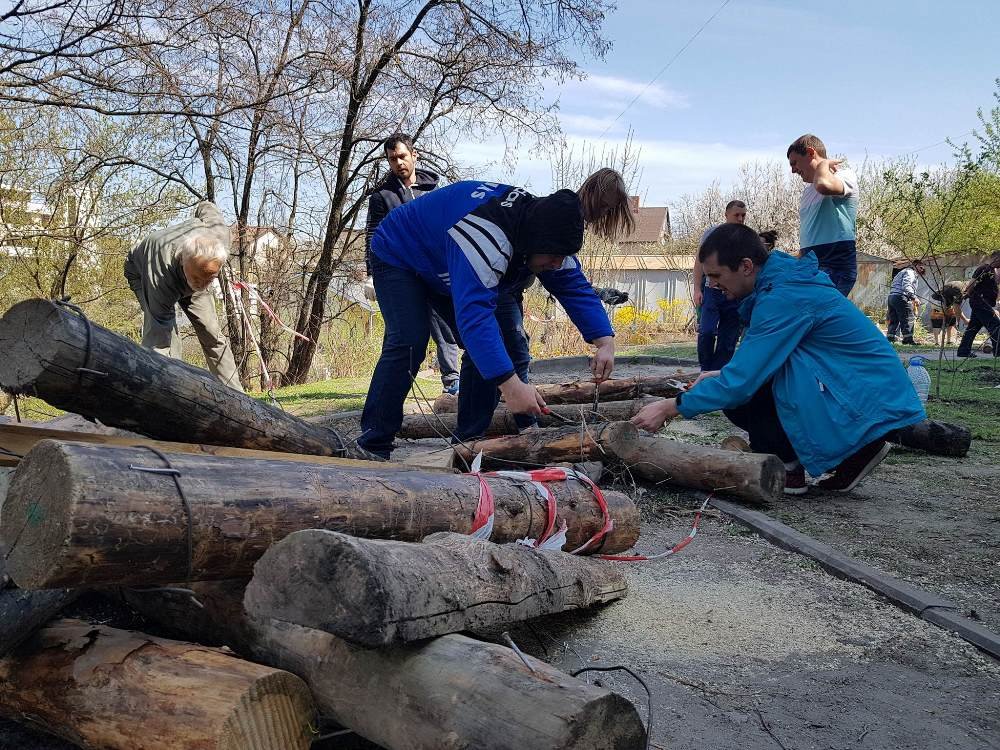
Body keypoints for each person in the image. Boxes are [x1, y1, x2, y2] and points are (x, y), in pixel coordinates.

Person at [631, 224, 925, 495]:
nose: (713, 286)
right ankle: (855, 453)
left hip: (867, 397)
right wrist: (723, 374)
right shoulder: (780, 284)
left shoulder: (783, 298)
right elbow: (755, 361)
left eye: (717, 276)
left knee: (742, 398)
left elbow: (743, 381)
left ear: (746, 266)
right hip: (862, 391)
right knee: (737, 386)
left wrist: (669, 407)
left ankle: (788, 467)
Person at [359, 179, 628, 459]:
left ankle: (466, 445)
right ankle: (373, 443)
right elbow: (475, 319)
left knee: (490, 350)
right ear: (532, 243)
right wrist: (511, 388)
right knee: (409, 340)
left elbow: (573, 286)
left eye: (562, 257)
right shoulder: (486, 239)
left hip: (445, 258)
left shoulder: (549, 225)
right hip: (401, 252)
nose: (556, 264)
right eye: (553, 258)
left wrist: (605, 342)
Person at [363, 133, 461, 394]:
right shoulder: (382, 197)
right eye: (392, 159)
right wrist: (371, 275)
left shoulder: (434, 192)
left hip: (434, 270)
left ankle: (452, 382)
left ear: (414, 155)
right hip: (401, 276)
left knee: (446, 329)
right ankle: (393, 386)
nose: (398, 163)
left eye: (402, 156)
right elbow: (373, 234)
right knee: (401, 336)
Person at [124, 201, 244, 392]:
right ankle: (169, 395)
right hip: (143, 271)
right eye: (198, 278)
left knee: (213, 334)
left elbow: (206, 205)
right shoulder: (160, 272)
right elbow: (160, 336)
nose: (202, 285)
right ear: (182, 260)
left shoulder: (220, 236)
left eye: (209, 279)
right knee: (165, 338)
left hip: (188, 270)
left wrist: (200, 279)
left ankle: (237, 397)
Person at [787, 134, 860, 296]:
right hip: (811, 267)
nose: (793, 170)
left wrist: (823, 165)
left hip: (834, 267)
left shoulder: (843, 175)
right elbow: (811, 234)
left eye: (794, 163)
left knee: (817, 319)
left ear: (811, 153)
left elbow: (823, 185)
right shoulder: (807, 192)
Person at [692, 200, 746, 370]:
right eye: (736, 215)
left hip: (735, 295)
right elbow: (700, 261)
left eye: (743, 215)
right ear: (726, 215)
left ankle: (717, 373)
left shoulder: (746, 237)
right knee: (707, 332)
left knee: (728, 339)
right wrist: (696, 289)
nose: (740, 218)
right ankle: (705, 369)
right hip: (712, 291)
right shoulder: (712, 234)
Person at [956, 252, 1000, 358]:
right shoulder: (984, 269)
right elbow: (971, 283)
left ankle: (963, 351)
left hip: (985, 303)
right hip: (980, 302)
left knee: (973, 328)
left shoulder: (993, 271)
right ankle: (998, 352)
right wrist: (967, 294)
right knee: (996, 325)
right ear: (996, 258)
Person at [886, 260, 926, 344]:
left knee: (894, 319)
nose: (923, 269)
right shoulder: (910, 272)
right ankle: (908, 340)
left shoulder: (903, 271)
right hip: (901, 297)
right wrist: (913, 297)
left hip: (892, 297)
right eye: (921, 267)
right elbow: (907, 285)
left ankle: (890, 338)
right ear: (915, 265)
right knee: (908, 318)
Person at [929, 280, 968, 347]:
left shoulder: (959, 284)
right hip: (938, 300)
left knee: (951, 319)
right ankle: (937, 342)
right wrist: (965, 320)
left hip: (944, 301)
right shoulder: (960, 290)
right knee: (938, 320)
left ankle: (948, 341)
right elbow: (957, 308)